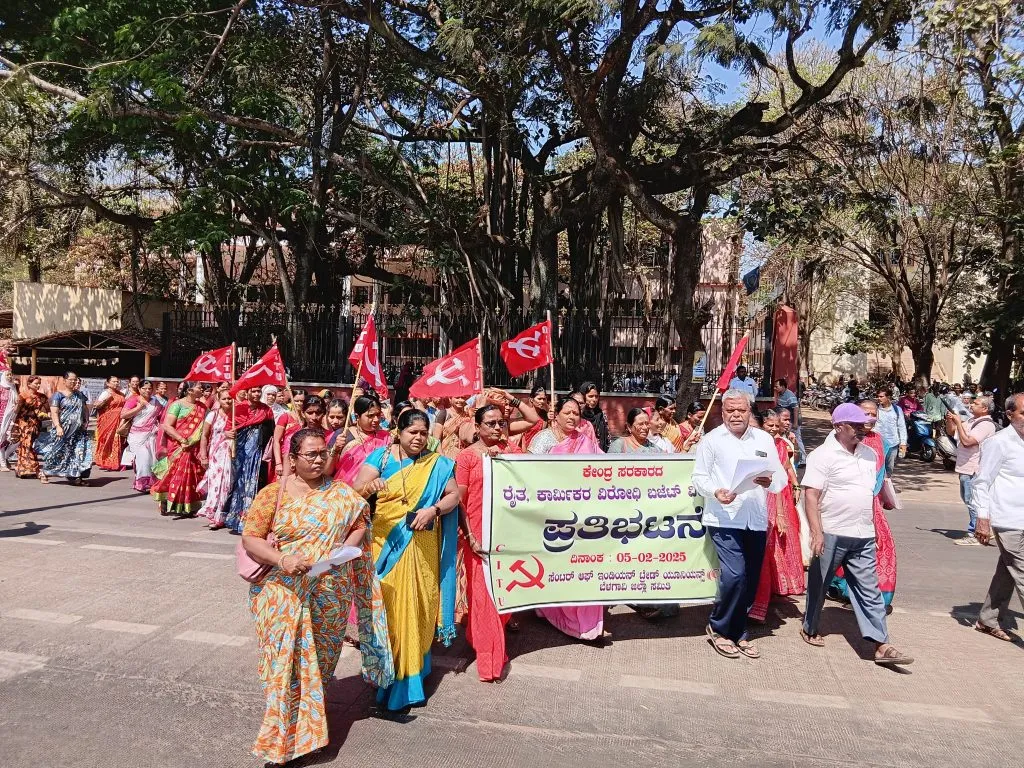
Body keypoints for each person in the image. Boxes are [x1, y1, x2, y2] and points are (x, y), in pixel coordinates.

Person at [242, 428, 393, 765]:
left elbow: (360, 521)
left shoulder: (340, 493)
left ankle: (309, 732)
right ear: (292, 459)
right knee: (284, 667)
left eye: (322, 452)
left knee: (320, 665)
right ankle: (281, 744)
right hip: (281, 591)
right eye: (310, 454)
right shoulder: (272, 495)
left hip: (330, 593)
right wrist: (283, 559)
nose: (318, 459)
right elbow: (250, 539)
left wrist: (348, 547)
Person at [351, 409, 461, 712]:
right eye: (413, 432)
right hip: (386, 546)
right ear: (397, 432)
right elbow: (352, 494)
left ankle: (411, 676)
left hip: (422, 545)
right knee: (392, 614)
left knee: (418, 609)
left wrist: (434, 510)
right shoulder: (380, 459)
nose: (419, 438)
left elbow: (454, 495)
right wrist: (368, 489)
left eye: (424, 433)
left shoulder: (437, 464)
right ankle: (391, 677)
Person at [800, 403, 912, 666]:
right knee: (819, 584)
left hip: (862, 533)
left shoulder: (870, 455)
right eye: (856, 425)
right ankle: (810, 626)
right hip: (831, 532)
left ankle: (881, 644)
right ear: (839, 426)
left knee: (868, 589)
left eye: (865, 424)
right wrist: (817, 532)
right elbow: (811, 495)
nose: (863, 429)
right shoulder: (822, 456)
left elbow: (869, 493)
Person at [692, 389, 787, 659]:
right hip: (724, 516)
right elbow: (698, 477)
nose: (736, 415)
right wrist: (716, 491)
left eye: (741, 410)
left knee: (751, 579)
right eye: (730, 410)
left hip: (755, 518)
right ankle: (719, 627)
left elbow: (779, 477)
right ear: (722, 413)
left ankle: (738, 631)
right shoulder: (712, 441)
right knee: (735, 575)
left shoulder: (764, 439)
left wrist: (771, 481)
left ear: (749, 411)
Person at [529, 396, 608, 642]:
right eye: (568, 412)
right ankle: (550, 609)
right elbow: (528, 475)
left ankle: (586, 624)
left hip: (582, 515)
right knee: (557, 567)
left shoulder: (585, 440)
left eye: (577, 413)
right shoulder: (543, 440)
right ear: (556, 414)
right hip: (551, 515)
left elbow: (606, 465)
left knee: (583, 565)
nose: (573, 417)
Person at [455, 405, 522, 682]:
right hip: (478, 536)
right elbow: (459, 499)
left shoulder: (514, 454)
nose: (497, 428)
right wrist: (470, 536)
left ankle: (480, 635)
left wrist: (503, 461)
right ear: (478, 426)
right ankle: (490, 659)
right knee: (484, 598)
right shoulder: (467, 457)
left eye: (501, 423)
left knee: (503, 592)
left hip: (508, 535)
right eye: (491, 423)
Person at [828, 398, 898, 606]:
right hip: (845, 502)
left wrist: (886, 497)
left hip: (872, 503)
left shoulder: (882, 441)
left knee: (881, 548)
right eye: (865, 413)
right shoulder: (840, 439)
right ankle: (838, 586)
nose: (870, 418)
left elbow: (882, 474)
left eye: (873, 414)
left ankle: (871, 596)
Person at [970, 393, 1024, 643]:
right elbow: (981, 482)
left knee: (1008, 571)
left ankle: (988, 619)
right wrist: (983, 517)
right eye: (1023, 413)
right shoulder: (999, 442)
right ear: (1010, 414)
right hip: (1007, 519)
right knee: (1022, 572)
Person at [748, 410, 805, 622]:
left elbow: (786, 468)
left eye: (775, 425)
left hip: (776, 495)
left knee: (776, 545)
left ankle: (771, 591)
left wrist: (795, 485)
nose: (773, 429)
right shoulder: (756, 446)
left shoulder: (780, 446)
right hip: (758, 498)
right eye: (768, 425)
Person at [946, 395, 998, 546]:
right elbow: (952, 432)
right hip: (965, 466)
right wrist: (951, 420)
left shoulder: (986, 425)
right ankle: (981, 528)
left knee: (973, 501)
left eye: (975, 404)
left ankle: (976, 532)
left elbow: (968, 441)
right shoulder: (971, 421)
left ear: (985, 409)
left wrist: (958, 422)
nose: (971, 406)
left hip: (974, 468)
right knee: (968, 499)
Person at [151, 381, 209, 516]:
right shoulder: (177, 405)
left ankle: (188, 505)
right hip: (179, 446)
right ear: (189, 391)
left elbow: (207, 425)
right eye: (199, 387)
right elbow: (167, 425)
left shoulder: (202, 407)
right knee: (174, 474)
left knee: (192, 477)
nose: (202, 389)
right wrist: (182, 440)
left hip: (194, 447)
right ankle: (165, 499)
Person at [224, 387, 276, 533]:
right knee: (239, 484)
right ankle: (235, 519)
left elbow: (272, 432)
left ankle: (251, 522)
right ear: (247, 392)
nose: (256, 394)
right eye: (253, 391)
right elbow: (227, 430)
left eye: (259, 391)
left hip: (258, 456)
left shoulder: (266, 410)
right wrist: (229, 434)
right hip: (240, 454)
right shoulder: (237, 409)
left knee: (254, 485)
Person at [36, 371, 93, 486]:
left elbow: (85, 409)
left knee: (78, 453)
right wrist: (58, 427)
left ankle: (76, 476)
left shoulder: (80, 395)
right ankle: (45, 472)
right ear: (64, 380)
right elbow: (54, 411)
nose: (74, 382)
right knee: (57, 452)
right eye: (71, 380)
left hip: (78, 432)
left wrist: (86, 421)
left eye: (75, 380)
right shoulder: (58, 395)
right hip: (63, 430)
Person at [325, 395, 391, 484]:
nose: (376, 419)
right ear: (357, 416)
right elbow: (326, 472)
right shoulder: (343, 435)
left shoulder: (385, 437)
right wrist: (335, 450)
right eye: (370, 416)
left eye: (378, 415)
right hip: (344, 491)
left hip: (375, 491)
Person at [198, 387, 237, 529]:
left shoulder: (236, 415)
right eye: (224, 398)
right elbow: (204, 436)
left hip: (232, 455)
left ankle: (225, 515)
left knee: (228, 484)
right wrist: (203, 456)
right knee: (216, 485)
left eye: (230, 398)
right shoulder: (212, 415)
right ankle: (215, 515)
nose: (227, 401)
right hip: (216, 455)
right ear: (219, 400)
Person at [270, 394, 326, 482]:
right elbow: (288, 461)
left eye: (318, 413)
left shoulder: (332, 436)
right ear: (303, 414)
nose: (314, 417)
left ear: (324, 414)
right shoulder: (297, 436)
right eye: (310, 413)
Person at [120, 381, 161, 492]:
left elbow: (161, 416)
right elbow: (123, 415)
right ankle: (141, 483)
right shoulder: (133, 400)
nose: (147, 391)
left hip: (151, 435)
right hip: (137, 435)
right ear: (139, 388)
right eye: (144, 388)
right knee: (143, 458)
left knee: (152, 459)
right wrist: (139, 408)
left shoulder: (156, 402)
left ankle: (151, 483)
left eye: (149, 388)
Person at [13, 376, 49, 481]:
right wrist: (14, 425)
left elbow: (46, 410)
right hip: (24, 424)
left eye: (39, 383)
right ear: (29, 384)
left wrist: (43, 414)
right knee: (26, 445)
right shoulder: (23, 396)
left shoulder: (42, 397)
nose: (38, 385)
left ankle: (22, 469)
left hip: (36, 425)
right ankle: (37, 470)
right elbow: (17, 411)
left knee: (27, 446)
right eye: (35, 383)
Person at [92, 375, 126, 471]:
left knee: (116, 441)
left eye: (117, 381)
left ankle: (114, 461)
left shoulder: (121, 394)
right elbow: (97, 406)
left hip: (119, 421)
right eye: (114, 381)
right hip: (107, 421)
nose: (116, 383)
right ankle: (104, 461)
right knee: (106, 440)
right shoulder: (105, 393)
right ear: (108, 383)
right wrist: (106, 399)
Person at [874, 387, 907, 476]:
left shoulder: (897, 410)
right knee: (878, 469)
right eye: (878, 396)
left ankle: (886, 486)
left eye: (881, 396)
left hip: (893, 444)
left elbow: (901, 427)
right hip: (878, 444)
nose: (879, 398)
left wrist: (903, 443)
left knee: (889, 469)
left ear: (888, 397)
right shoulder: (875, 410)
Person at [773, 378, 806, 466]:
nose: (775, 388)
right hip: (787, 420)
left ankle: (803, 460)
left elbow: (795, 409)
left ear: (783, 386)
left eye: (777, 386)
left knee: (797, 439)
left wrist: (795, 423)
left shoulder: (789, 395)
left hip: (792, 420)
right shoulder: (780, 394)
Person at [515, 384, 549, 451]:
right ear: (531, 399)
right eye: (539, 399)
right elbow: (521, 436)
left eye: (544, 399)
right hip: (523, 450)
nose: (542, 401)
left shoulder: (545, 416)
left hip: (538, 451)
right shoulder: (524, 414)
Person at [578, 382, 610, 451]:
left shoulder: (601, 415)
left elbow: (607, 438)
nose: (594, 400)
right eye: (590, 396)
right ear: (583, 396)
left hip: (599, 454)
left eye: (596, 396)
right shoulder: (578, 415)